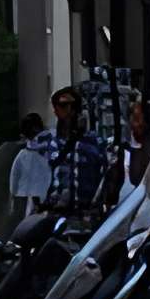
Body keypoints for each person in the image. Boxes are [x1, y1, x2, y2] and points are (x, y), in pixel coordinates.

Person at [31, 88, 116, 221]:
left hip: (86, 218)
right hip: (52, 216)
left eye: (74, 106)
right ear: (56, 110)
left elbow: (107, 176)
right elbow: (33, 176)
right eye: (63, 105)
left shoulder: (94, 142)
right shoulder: (46, 141)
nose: (70, 110)